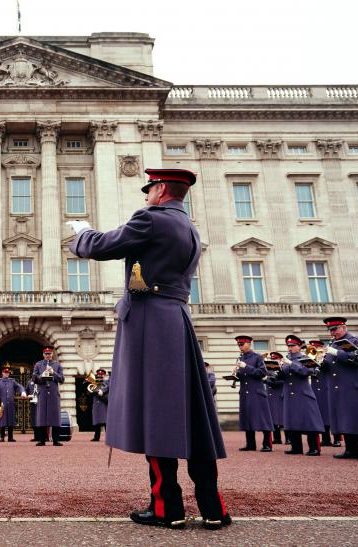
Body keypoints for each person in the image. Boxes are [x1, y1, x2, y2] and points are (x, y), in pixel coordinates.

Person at [69, 168, 229, 530]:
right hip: (178, 318)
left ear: (161, 189)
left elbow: (101, 246)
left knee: (158, 416)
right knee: (193, 417)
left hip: (150, 321)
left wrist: (81, 233)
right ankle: (213, 507)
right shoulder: (189, 226)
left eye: (149, 189)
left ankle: (167, 507)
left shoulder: (151, 219)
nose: (146, 196)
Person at [321, 317, 358, 460]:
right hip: (338, 387)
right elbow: (331, 366)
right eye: (330, 330)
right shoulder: (333, 343)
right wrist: (320, 363)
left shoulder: (354, 341)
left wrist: (336, 353)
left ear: (344, 327)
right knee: (345, 418)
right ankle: (351, 449)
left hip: (353, 386)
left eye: (335, 329)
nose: (332, 333)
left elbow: (357, 359)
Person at [278, 335, 323, 456]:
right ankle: (296, 447)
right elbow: (282, 377)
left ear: (299, 346)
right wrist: (276, 370)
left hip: (303, 393)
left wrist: (291, 364)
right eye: (289, 346)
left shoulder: (305, 358)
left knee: (309, 421)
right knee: (292, 420)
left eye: (293, 346)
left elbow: (306, 372)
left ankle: (314, 448)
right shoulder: (286, 359)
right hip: (289, 393)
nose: (290, 348)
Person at [234, 336, 273, 452]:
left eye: (242, 344)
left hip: (256, 392)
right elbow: (244, 376)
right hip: (245, 392)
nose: (240, 346)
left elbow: (262, 373)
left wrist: (246, 367)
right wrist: (236, 374)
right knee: (247, 418)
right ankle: (250, 444)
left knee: (263, 419)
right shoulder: (240, 357)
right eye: (239, 345)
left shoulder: (257, 357)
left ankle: (267, 444)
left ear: (249, 343)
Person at [308, 340, 340, 447]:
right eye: (312, 349)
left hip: (326, 387)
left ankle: (337, 439)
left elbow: (329, 368)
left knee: (331, 414)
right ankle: (325, 438)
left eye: (316, 348)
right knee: (321, 415)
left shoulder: (327, 357)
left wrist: (322, 358)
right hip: (316, 389)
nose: (313, 350)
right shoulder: (311, 359)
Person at [31, 346, 64, 447]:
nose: (48, 355)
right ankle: (42, 440)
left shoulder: (57, 365)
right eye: (46, 354)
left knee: (55, 417)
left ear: (52, 354)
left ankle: (56, 440)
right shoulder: (38, 364)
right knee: (42, 416)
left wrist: (53, 372)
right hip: (42, 392)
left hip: (53, 393)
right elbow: (34, 378)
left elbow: (62, 379)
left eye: (49, 354)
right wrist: (42, 375)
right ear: (43, 354)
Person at [0, 365, 26, 442]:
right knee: (2, 420)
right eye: (5, 373)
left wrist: (22, 391)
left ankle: (10, 437)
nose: (6, 374)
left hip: (11, 403)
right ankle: (2, 437)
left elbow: (19, 386)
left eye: (7, 373)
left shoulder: (12, 381)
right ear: (2, 373)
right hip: (2, 403)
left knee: (11, 421)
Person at [264, 352, 285, 445]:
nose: (273, 361)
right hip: (270, 395)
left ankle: (288, 438)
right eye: (272, 359)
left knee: (283, 417)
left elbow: (282, 381)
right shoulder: (268, 369)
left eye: (275, 359)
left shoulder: (283, 368)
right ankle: (277, 438)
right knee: (273, 417)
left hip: (280, 394)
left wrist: (268, 381)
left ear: (279, 359)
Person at [90, 369, 109, 442]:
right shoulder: (94, 383)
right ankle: (96, 437)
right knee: (97, 423)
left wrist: (101, 392)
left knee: (106, 423)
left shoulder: (106, 383)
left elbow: (106, 388)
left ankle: (108, 437)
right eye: (99, 375)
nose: (100, 376)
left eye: (101, 375)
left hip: (103, 405)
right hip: (96, 406)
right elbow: (91, 391)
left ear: (103, 376)